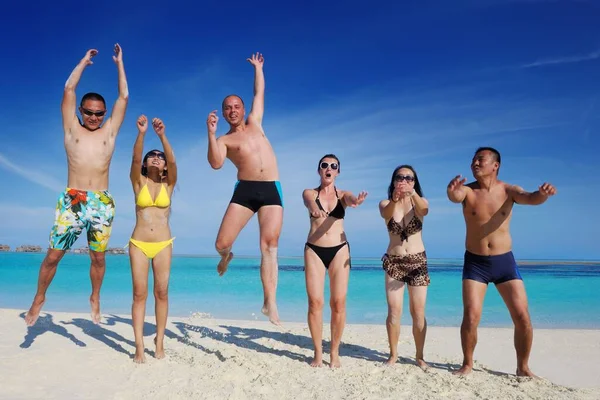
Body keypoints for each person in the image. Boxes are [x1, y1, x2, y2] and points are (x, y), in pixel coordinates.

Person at [25, 45, 129, 326]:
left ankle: (95, 297)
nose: (94, 118)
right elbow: (69, 90)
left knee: (98, 258)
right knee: (52, 256)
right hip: (73, 199)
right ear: (81, 111)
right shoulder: (72, 129)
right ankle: (39, 298)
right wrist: (83, 61)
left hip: (102, 201)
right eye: (89, 113)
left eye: (99, 114)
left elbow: (124, 96)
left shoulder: (109, 131)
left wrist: (119, 63)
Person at [447, 147, 557, 377]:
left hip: (504, 262)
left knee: (522, 318)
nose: (474, 163)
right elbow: (455, 197)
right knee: (471, 316)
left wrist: (543, 194)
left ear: (495, 165)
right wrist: (452, 191)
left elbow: (530, 198)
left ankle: (522, 367)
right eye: (473, 160)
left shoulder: (509, 190)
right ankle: (467, 364)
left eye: (480, 160)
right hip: (475, 264)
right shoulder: (467, 192)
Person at [206, 52, 283, 325]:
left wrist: (259, 68)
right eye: (228, 107)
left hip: (271, 188)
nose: (233, 110)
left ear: (242, 108)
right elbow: (215, 163)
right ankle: (227, 256)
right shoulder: (225, 140)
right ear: (224, 112)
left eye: (236, 105)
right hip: (245, 190)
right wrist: (211, 132)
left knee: (270, 245)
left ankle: (269, 302)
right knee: (221, 243)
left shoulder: (255, 122)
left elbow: (259, 93)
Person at [302, 154, 367, 368]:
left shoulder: (343, 194)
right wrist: (313, 208)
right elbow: (309, 201)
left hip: (340, 250)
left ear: (338, 171)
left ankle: (335, 352)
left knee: (338, 303)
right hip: (314, 250)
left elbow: (349, 199)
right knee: (315, 303)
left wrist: (355, 201)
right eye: (324, 165)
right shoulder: (310, 193)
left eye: (333, 166)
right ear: (319, 170)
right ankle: (318, 353)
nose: (328, 168)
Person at [128, 115, 177, 363]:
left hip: (163, 244)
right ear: (146, 164)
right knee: (139, 294)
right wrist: (142, 134)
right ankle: (138, 345)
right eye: (152, 155)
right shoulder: (139, 182)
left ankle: (159, 340)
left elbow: (174, 159)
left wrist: (162, 135)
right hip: (138, 243)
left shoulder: (169, 185)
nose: (156, 157)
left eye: (160, 156)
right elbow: (135, 158)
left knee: (162, 292)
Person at [378, 165, 430, 371]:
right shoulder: (386, 203)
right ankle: (393, 355)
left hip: (417, 262)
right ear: (393, 180)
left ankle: (420, 356)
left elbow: (424, 210)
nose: (405, 180)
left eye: (409, 178)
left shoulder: (420, 202)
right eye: (400, 177)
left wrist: (412, 194)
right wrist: (395, 198)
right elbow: (386, 214)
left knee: (418, 312)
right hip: (394, 262)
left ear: (415, 182)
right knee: (394, 311)